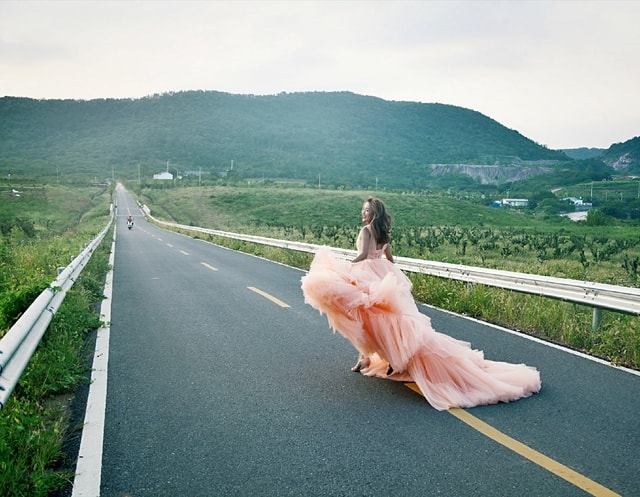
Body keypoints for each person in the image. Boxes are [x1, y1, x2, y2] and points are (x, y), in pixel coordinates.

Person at [301, 196, 541, 411]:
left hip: (367, 274)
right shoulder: (385, 234)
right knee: (383, 321)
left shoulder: (366, 231)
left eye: (366, 210)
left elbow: (364, 255)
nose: (363, 213)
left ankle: (373, 358)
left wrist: (347, 267)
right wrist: (388, 275)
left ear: (373, 213)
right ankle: (376, 358)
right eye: (363, 210)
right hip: (384, 276)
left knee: (365, 320)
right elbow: (390, 259)